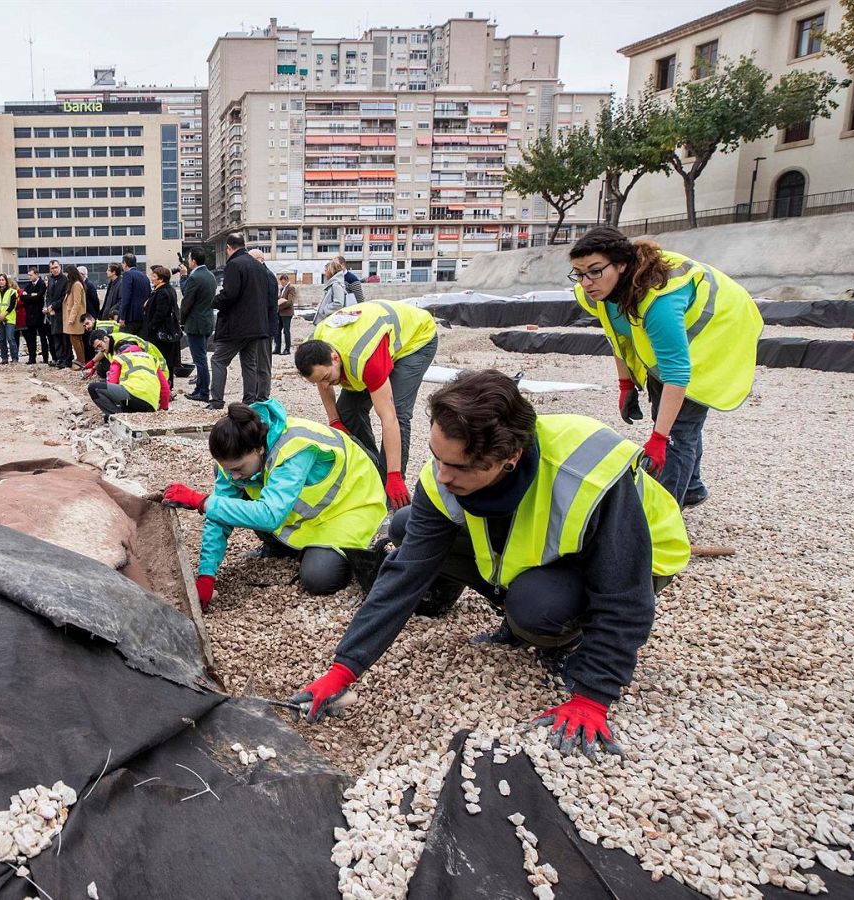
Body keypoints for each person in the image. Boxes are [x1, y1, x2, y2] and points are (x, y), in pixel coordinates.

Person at [288, 370, 691, 757]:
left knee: (537, 608)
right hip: (551, 545)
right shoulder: (446, 475)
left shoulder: (584, 474)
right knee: (408, 524)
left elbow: (624, 592)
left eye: (458, 466)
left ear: (509, 457)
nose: (441, 476)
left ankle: (566, 637)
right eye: (436, 457)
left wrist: (593, 696)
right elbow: (405, 574)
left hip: (642, 556)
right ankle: (519, 605)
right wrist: (344, 669)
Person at [569, 226, 763, 509]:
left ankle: (663, 518)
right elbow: (617, 335)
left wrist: (659, 438)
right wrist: (625, 385)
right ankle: (692, 487)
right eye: (579, 273)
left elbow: (676, 373)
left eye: (595, 271)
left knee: (679, 429)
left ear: (621, 265)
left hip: (720, 330)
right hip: (675, 341)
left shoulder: (659, 302)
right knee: (671, 415)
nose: (586, 282)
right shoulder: (598, 292)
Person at [163, 399, 388, 607]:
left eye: (239, 468)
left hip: (349, 506)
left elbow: (268, 516)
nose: (234, 477)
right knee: (236, 505)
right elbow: (219, 515)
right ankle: (285, 547)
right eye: (229, 470)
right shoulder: (236, 460)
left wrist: (200, 501)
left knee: (319, 578)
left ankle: (333, 552)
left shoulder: (295, 448)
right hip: (306, 516)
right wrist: (206, 574)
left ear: (259, 448)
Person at [294, 297, 440, 508]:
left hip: (416, 340)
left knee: (398, 412)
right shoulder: (316, 347)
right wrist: (334, 420)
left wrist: (394, 475)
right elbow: (322, 382)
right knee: (347, 411)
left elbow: (388, 418)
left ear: (334, 357)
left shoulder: (365, 358)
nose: (326, 384)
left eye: (326, 377)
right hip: (372, 341)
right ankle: (372, 472)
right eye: (319, 381)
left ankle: (391, 492)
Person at [206, 233, 270, 410]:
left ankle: (216, 401)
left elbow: (230, 294)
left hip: (237, 326)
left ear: (228, 247)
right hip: (256, 325)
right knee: (249, 363)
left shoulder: (234, 264)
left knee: (218, 360)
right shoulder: (258, 266)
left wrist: (215, 302)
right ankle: (249, 401)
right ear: (244, 245)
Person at [86, 333, 169, 420]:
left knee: (94, 388)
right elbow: (165, 387)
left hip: (133, 398)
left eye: (99, 346)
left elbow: (112, 383)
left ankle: (117, 417)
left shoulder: (120, 358)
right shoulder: (151, 359)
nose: (100, 349)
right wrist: (163, 410)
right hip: (151, 405)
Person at [180, 247, 216, 402]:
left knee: (199, 359)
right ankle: (199, 389)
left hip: (195, 323)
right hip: (207, 321)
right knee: (201, 357)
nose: (188, 261)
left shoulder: (195, 278)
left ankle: (203, 392)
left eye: (189, 259)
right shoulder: (210, 275)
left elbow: (187, 299)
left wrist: (183, 278)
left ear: (193, 260)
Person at [142, 264, 182, 389]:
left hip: (161, 334)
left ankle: (166, 386)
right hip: (163, 331)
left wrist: (151, 327)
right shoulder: (163, 290)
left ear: (161, 279)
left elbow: (160, 314)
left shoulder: (163, 292)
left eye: (154, 276)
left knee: (164, 359)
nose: (151, 278)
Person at [249, 248, 279, 391]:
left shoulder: (267, 276)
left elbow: (269, 304)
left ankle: (262, 395)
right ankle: (257, 392)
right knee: (258, 362)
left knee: (263, 364)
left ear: (261, 260)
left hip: (265, 328)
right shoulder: (263, 275)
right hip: (260, 327)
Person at [44, 260, 70, 368]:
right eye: (52, 268)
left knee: (64, 338)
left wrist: (53, 306)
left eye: (56, 267)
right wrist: (49, 306)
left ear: (60, 267)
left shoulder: (65, 279)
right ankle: (59, 358)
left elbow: (65, 296)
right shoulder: (50, 279)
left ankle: (66, 359)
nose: (54, 270)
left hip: (62, 312)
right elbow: (49, 295)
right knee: (56, 337)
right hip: (53, 313)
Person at [61, 265, 87, 370]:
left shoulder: (76, 285)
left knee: (75, 339)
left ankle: (81, 361)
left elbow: (77, 303)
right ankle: (81, 360)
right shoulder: (74, 284)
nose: (66, 275)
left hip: (75, 318)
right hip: (74, 316)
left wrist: (71, 318)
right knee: (76, 339)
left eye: (67, 273)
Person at [117, 253, 151, 335]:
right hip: (142, 316)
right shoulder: (144, 276)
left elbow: (126, 297)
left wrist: (122, 317)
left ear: (125, 263)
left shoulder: (127, 275)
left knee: (130, 343)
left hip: (130, 317)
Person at [22, 267, 47, 365]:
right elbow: (23, 297)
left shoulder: (42, 284)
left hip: (40, 315)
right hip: (30, 315)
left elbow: (39, 297)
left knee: (43, 337)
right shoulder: (28, 285)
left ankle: (45, 358)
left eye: (31, 275)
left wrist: (30, 296)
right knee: (31, 338)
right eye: (28, 275)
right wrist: (31, 296)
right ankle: (32, 358)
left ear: (36, 274)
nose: (29, 277)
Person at [0, 274, 19, 365]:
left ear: (6, 281)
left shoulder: (12, 292)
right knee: (2, 339)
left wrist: (4, 314)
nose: (1, 281)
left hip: (9, 318)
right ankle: (4, 358)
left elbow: (12, 305)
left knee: (10, 338)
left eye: (3, 280)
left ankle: (14, 358)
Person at [276, 272, 297, 355]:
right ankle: (277, 348)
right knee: (277, 330)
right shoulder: (282, 289)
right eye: (280, 282)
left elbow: (289, 302)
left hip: (287, 313)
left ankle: (287, 349)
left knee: (286, 331)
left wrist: (279, 306)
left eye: (282, 281)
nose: (281, 283)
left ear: (286, 280)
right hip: (280, 313)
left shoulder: (291, 288)